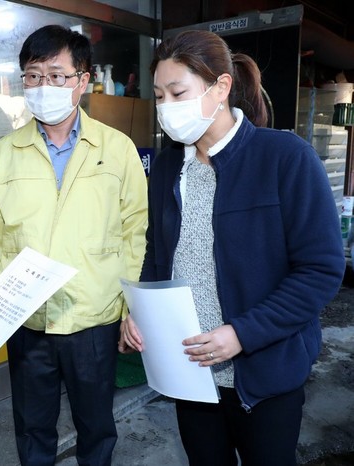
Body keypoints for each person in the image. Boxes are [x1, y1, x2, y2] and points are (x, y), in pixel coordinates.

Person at [119, 30, 345, 466]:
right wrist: (141, 310)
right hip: (190, 374)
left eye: (178, 93)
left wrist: (243, 334)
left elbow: (320, 270)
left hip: (265, 376)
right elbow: (158, 251)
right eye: (159, 96)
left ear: (221, 87)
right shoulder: (167, 167)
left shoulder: (284, 157)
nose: (166, 107)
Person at [0, 25, 148, 466]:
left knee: (97, 427)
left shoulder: (117, 149)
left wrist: (131, 308)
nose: (42, 85)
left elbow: (135, 233)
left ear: (83, 80)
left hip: (94, 318)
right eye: (33, 75)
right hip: (27, 320)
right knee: (32, 429)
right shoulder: (2, 155)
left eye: (56, 75)